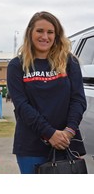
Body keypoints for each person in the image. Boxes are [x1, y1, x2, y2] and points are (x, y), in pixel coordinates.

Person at [7, 11, 86, 174]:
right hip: (31, 147)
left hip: (67, 144)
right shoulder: (17, 65)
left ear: (57, 36)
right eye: (40, 31)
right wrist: (49, 133)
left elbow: (78, 100)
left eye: (50, 32)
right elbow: (21, 106)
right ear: (30, 32)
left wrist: (68, 132)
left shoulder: (69, 62)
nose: (45, 36)